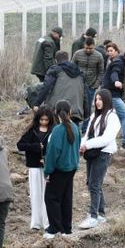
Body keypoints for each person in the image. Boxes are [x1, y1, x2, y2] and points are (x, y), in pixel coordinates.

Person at [78, 89, 121, 229]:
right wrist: (82, 145)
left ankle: (93, 216)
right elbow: (87, 134)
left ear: (107, 100)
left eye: (100, 99)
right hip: (91, 153)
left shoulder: (112, 117)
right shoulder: (95, 116)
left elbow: (106, 139)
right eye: (96, 99)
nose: (97, 102)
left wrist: (87, 145)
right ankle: (101, 214)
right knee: (91, 182)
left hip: (103, 153)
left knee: (94, 184)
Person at [43, 101, 80, 239]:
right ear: (70, 112)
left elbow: (53, 152)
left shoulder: (58, 130)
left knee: (51, 198)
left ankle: (55, 229)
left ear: (56, 113)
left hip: (59, 169)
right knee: (66, 198)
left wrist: (47, 171)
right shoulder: (75, 127)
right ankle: (66, 228)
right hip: (71, 168)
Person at [16, 106, 54, 231]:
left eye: (46, 120)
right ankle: (36, 223)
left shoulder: (53, 131)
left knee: (47, 195)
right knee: (35, 194)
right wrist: (36, 147)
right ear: (38, 119)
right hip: (34, 166)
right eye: (41, 120)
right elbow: (20, 145)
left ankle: (47, 222)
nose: (43, 122)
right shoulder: (32, 130)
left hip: (48, 166)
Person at [102, 50, 125, 153]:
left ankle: (105, 142)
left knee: (111, 118)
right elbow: (114, 73)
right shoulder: (118, 63)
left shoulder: (119, 62)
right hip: (112, 95)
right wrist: (116, 81)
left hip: (107, 94)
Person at [33, 51, 85, 125]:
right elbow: (85, 93)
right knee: (73, 134)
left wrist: (37, 103)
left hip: (57, 111)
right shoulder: (79, 72)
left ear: (56, 60)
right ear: (68, 59)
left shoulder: (54, 70)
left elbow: (46, 87)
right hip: (75, 111)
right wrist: (86, 112)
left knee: (56, 134)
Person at [72, 38, 105, 132]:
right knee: (77, 105)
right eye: (86, 48)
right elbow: (72, 68)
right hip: (78, 85)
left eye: (90, 48)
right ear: (84, 46)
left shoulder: (99, 56)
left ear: (94, 46)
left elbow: (101, 72)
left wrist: (96, 84)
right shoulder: (77, 54)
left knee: (88, 106)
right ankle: (76, 126)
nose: (88, 50)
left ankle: (85, 127)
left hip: (91, 86)